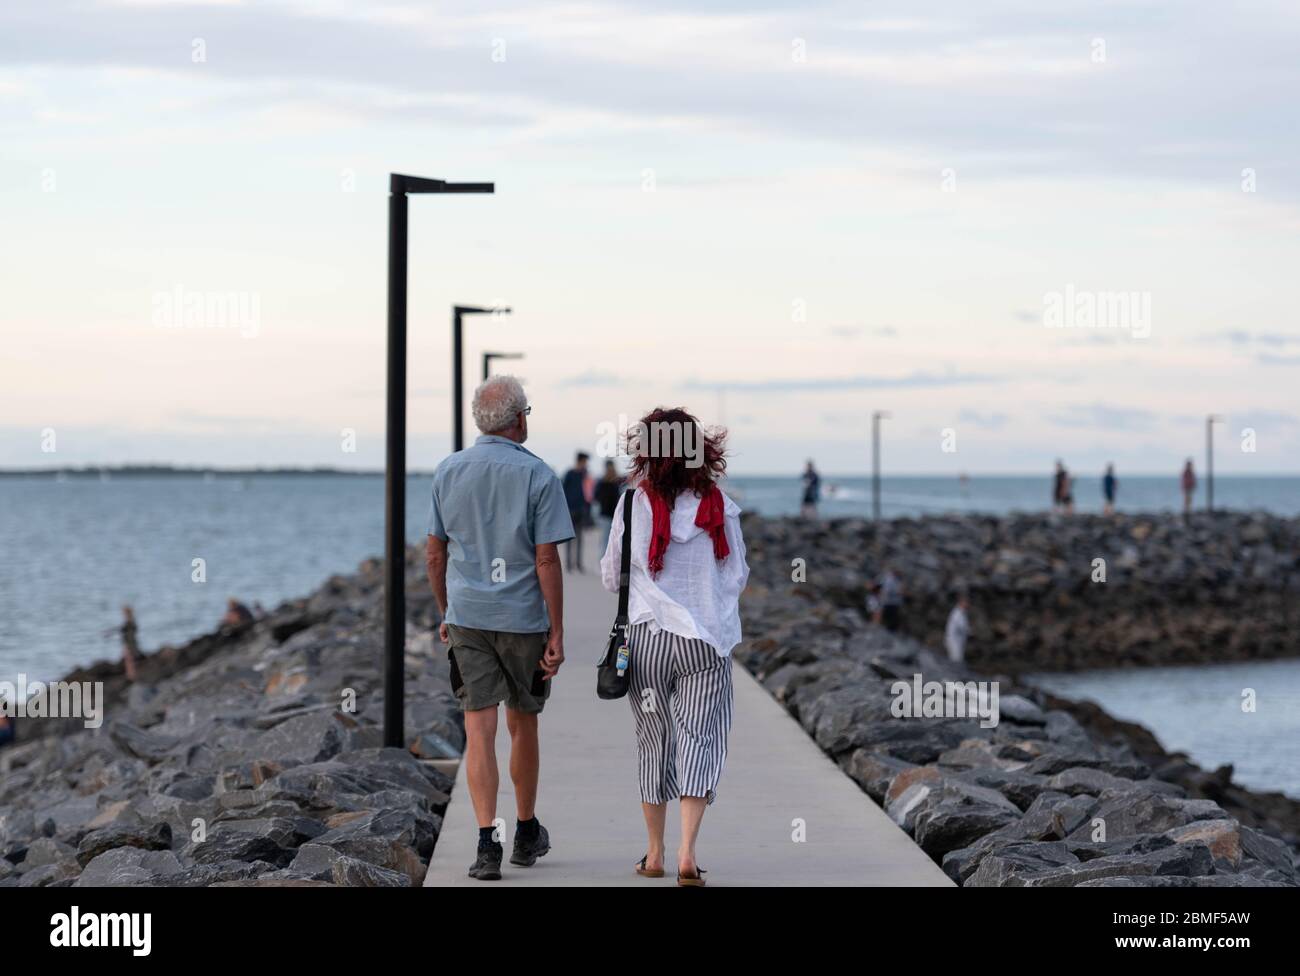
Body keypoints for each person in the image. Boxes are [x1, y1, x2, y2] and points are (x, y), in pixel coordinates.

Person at [425, 375, 573, 882]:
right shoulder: (539, 476)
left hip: (468, 616)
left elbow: (434, 551)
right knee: (522, 722)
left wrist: (446, 609)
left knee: (477, 729)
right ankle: (526, 831)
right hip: (523, 620)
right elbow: (547, 558)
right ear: (518, 419)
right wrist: (556, 631)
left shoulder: (449, 471)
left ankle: (488, 842)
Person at [601, 407, 749, 886]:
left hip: (647, 641)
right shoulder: (719, 506)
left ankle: (655, 853)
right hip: (705, 644)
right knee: (698, 741)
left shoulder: (631, 504)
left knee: (654, 742)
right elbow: (737, 575)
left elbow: (610, 576)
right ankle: (688, 854)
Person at [562, 452, 592, 572]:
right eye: (585, 461)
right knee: (570, 537)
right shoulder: (570, 473)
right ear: (580, 461)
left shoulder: (585, 475)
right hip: (570, 509)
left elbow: (588, 492)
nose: (586, 464)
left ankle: (578, 563)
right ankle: (569, 563)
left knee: (580, 537)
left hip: (581, 509)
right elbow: (563, 491)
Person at [593, 459, 625, 551]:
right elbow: (596, 497)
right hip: (606, 515)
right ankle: (604, 562)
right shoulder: (602, 483)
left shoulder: (616, 482)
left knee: (613, 541)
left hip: (614, 515)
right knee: (605, 541)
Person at [944, 591, 970, 664]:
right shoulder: (957, 613)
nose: (967, 604)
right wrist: (969, 631)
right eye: (966, 602)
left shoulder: (962, 613)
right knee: (956, 660)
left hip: (959, 640)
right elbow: (960, 626)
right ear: (961, 602)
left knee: (958, 659)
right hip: (954, 641)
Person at [878, 566, 904, 631]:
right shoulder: (890, 580)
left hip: (894, 603)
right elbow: (887, 591)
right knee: (889, 619)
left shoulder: (897, 579)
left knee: (893, 619)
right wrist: (898, 592)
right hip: (890, 603)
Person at [120, 605, 141, 682]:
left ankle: (131, 676)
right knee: (130, 660)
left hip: (130, 644)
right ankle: (131, 675)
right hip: (130, 643)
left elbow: (130, 633)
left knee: (130, 660)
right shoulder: (131, 622)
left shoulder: (130, 623)